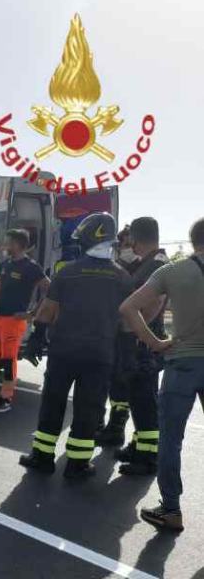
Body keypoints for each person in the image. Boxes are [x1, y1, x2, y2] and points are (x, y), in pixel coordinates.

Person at [19, 212, 133, 480]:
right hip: (100, 354)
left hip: (64, 351)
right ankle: (78, 464)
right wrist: (127, 352)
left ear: (85, 239)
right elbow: (128, 320)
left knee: (54, 402)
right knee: (89, 408)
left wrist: (37, 335)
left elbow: (47, 309)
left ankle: (43, 457)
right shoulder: (123, 277)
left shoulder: (67, 272)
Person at [122, 218, 204, 532]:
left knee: (171, 440)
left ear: (192, 240)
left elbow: (129, 308)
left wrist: (155, 343)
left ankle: (170, 510)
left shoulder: (172, 270)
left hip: (182, 362)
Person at [114, 217, 169, 475]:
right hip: (140, 339)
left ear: (136, 238)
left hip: (142, 341)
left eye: (130, 240)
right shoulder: (146, 263)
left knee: (145, 400)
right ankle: (139, 445)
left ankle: (147, 457)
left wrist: (135, 329)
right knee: (138, 398)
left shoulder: (156, 266)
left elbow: (154, 301)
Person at [0, 229, 49, 413]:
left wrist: (32, 313)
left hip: (13, 320)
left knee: (8, 360)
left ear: (18, 244)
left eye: (8, 242)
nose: (4, 245)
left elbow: (49, 289)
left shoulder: (31, 267)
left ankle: (5, 398)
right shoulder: (4, 265)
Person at [95, 225, 143, 446]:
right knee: (111, 384)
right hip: (111, 332)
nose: (123, 248)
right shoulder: (120, 267)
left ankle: (116, 428)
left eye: (125, 244)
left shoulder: (135, 268)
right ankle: (110, 427)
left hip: (126, 335)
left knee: (121, 384)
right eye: (121, 244)